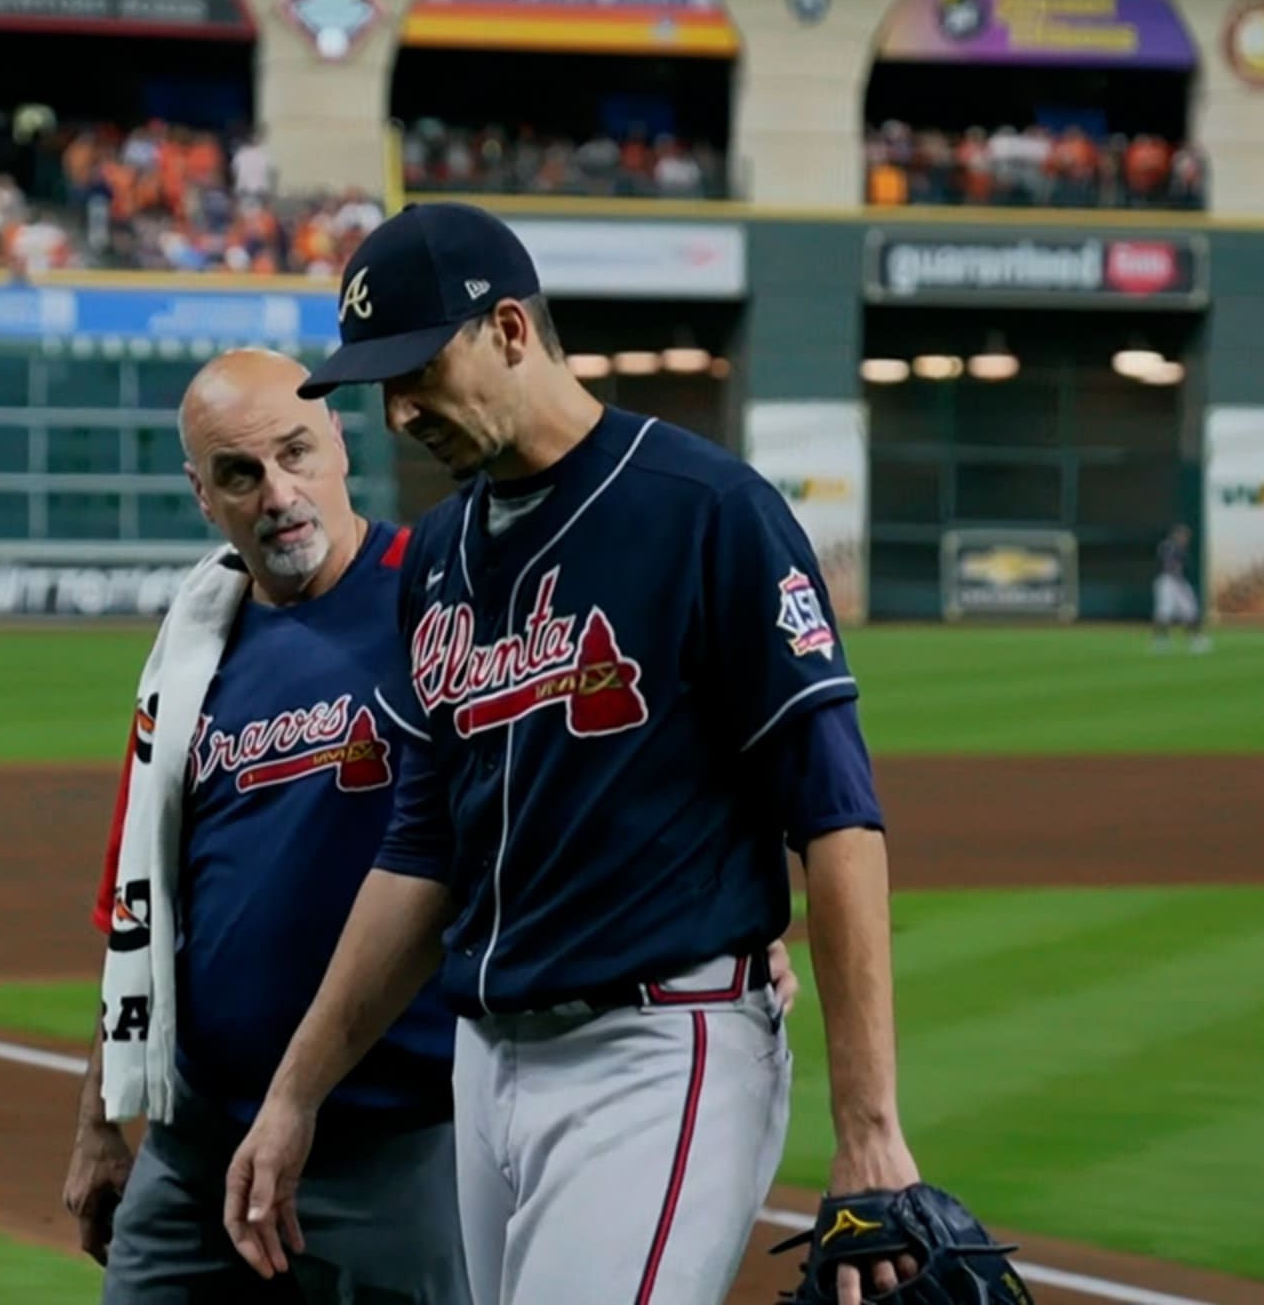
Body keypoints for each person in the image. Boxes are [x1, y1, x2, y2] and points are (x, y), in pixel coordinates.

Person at [218, 201, 931, 1305]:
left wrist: (869, 1131)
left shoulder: (705, 511)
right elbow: (420, 851)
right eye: (379, 387)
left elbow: (835, 815)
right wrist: (294, 1094)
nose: (399, 412)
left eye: (417, 370)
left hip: (660, 1047)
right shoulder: (441, 554)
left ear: (509, 329)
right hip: (485, 1064)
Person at [63, 346, 801, 1302]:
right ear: (203, 495)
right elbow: (142, 903)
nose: (279, 493)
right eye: (240, 474)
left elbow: (615, 768)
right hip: (195, 1146)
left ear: (338, 444)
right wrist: (98, 1114)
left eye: (297, 452)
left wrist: (726, 923)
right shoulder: (192, 651)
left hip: (392, 1149)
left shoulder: (450, 590)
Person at [1153, 523, 1208, 653]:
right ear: (1176, 534)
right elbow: (1169, 563)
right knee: (1165, 611)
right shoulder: (1171, 547)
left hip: (1175, 581)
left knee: (1189, 610)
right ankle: (1161, 641)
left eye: (1186, 536)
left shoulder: (1173, 547)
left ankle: (1195, 640)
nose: (1185, 538)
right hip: (1169, 581)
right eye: (1183, 535)